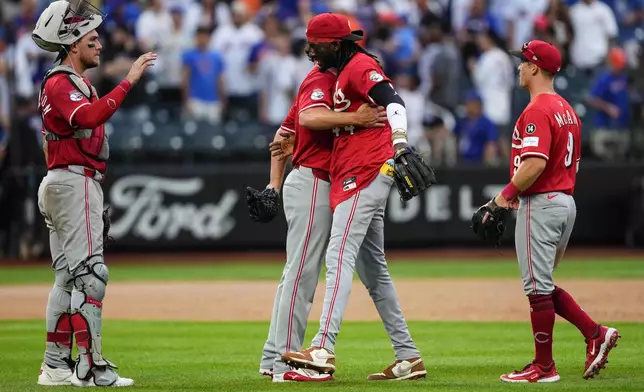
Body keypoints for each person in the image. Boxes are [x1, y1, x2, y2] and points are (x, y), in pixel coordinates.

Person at [281, 12, 435, 380]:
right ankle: (408, 357)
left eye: (317, 45)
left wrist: (399, 142)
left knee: (338, 255)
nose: (312, 51)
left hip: (365, 171)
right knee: (374, 272)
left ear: (336, 43)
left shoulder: (359, 64)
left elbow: (393, 101)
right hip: (356, 170)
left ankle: (323, 347)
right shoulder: (343, 71)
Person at [31, 0, 155, 387]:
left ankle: (55, 364)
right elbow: (88, 117)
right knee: (91, 277)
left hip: (66, 179)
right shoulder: (59, 81)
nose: (99, 45)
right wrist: (129, 80)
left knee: (67, 279)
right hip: (72, 181)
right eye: (92, 39)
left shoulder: (74, 82)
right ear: (73, 44)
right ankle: (92, 367)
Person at [487, 40, 620, 383]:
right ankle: (595, 333)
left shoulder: (537, 110)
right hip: (563, 201)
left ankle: (544, 367)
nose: (519, 67)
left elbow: (534, 162)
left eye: (522, 62)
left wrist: (503, 197)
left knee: (536, 288)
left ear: (534, 67)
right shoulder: (566, 108)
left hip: (542, 203)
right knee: (542, 285)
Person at [251, 59, 388, 382]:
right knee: (302, 274)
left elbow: (282, 135)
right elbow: (306, 118)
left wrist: (274, 183)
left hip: (313, 181)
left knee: (295, 273)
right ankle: (284, 364)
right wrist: (356, 117)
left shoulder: (330, 83)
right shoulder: (322, 80)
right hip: (315, 179)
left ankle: (273, 356)